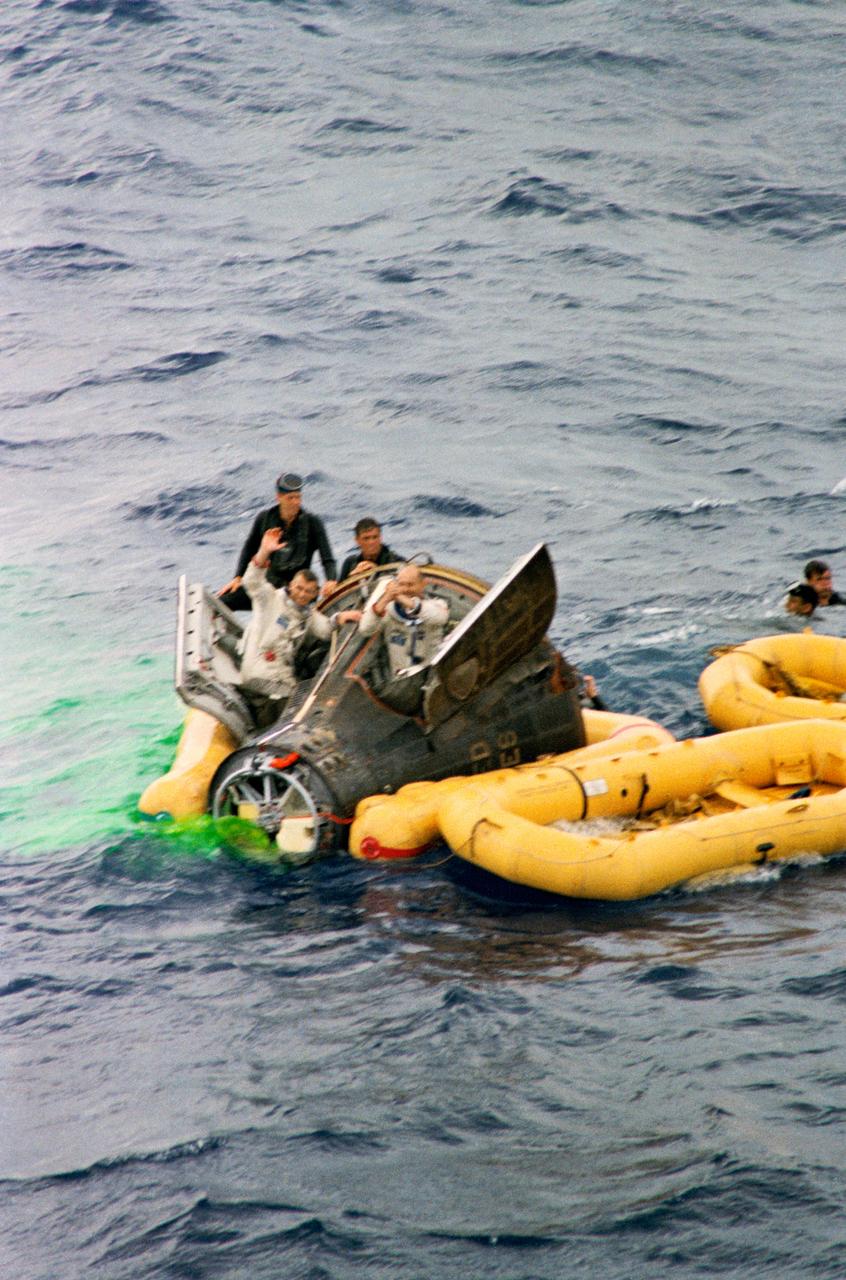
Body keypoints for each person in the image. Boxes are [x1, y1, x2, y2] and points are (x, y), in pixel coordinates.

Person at [238, 529, 360, 715]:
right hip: (259, 672)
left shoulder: (308, 616)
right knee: (301, 703)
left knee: (298, 696)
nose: (302, 594)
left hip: (279, 678)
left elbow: (326, 628)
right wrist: (264, 551)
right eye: (299, 588)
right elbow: (252, 582)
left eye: (308, 591)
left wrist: (341, 618)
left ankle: (265, 716)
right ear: (290, 586)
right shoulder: (270, 599)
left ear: (315, 594)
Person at [217, 472, 337, 610]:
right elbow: (249, 548)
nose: (296, 502)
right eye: (290, 498)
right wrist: (238, 577)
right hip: (266, 586)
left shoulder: (313, 523)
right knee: (223, 601)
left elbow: (328, 559)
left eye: (298, 497)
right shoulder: (264, 519)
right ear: (279, 497)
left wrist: (331, 579)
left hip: (296, 591)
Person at [359, 564, 449, 675]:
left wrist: (400, 597)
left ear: (423, 585)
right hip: (400, 680)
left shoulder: (437, 605)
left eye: (410, 585)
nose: (406, 589)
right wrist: (386, 597)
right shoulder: (389, 612)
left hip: (433, 675)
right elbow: (365, 629)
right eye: (401, 584)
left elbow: (439, 618)